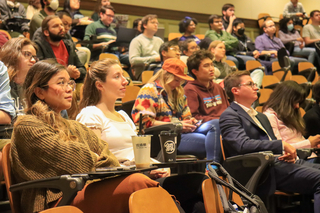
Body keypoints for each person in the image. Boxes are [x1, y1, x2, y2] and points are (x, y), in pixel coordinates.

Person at [10, 60, 160, 213]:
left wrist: (95, 157)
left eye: (70, 83)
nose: (69, 89)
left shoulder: (74, 126)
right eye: (61, 83)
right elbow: (76, 161)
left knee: (158, 184)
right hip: (55, 202)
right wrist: (94, 156)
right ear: (40, 92)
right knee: (137, 183)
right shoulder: (27, 126)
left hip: (82, 191)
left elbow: (109, 157)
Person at [219, 70, 320, 211]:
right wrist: (281, 145)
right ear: (235, 90)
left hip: (278, 163)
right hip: (262, 170)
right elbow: (241, 145)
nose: (256, 87)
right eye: (250, 84)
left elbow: (271, 144)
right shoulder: (229, 115)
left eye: (255, 84)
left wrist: (286, 153)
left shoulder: (260, 116)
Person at [76, 58, 169, 178]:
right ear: (100, 85)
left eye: (123, 76)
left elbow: (137, 156)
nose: (125, 81)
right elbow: (95, 161)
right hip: (116, 178)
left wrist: (160, 167)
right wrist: (140, 171)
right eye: (117, 77)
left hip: (137, 174)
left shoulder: (123, 115)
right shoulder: (91, 114)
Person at [132, 57, 218, 161]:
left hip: (180, 133)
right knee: (209, 141)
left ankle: (213, 168)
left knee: (216, 124)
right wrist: (177, 125)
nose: (179, 84)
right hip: (160, 138)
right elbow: (144, 123)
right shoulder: (149, 90)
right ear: (166, 76)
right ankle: (213, 168)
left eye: (182, 81)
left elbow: (186, 116)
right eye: (177, 80)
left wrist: (190, 121)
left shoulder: (178, 92)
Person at [184, 50, 229, 162]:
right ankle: (212, 167)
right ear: (195, 71)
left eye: (212, 65)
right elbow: (194, 117)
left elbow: (227, 110)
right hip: (203, 126)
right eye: (206, 66)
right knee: (216, 124)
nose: (211, 69)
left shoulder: (217, 87)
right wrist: (220, 120)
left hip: (223, 124)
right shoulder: (190, 89)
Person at [263, 80, 320, 162]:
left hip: (308, 156)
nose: (297, 106)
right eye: (295, 102)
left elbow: (299, 140)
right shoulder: (269, 117)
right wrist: (309, 143)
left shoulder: (290, 114)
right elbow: (279, 148)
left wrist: (314, 144)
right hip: (295, 160)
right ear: (284, 101)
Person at [34, 15, 86, 87]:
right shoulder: (38, 46)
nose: (61, 28)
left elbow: (82, 69)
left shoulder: (68, 45)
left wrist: (77, 73)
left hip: (70, 84)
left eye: (61, 25)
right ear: (46, 32)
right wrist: (66, 72)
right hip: (50, 87)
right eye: (55, 26)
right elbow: (41, 72)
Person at [0, 37, 38, 116]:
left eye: (34, 57)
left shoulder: (36, 87)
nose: (33, 60)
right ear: (12, 55)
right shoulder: (2, 84)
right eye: (27, 54)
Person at [129, 14, 163, 80]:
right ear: (144, 25)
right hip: (144, 72)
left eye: (157, 23)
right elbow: (133, 60)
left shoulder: (159, 40)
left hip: (159, 68)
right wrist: (154, 58)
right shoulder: (137, 40)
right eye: (153, 22)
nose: (156, 25)